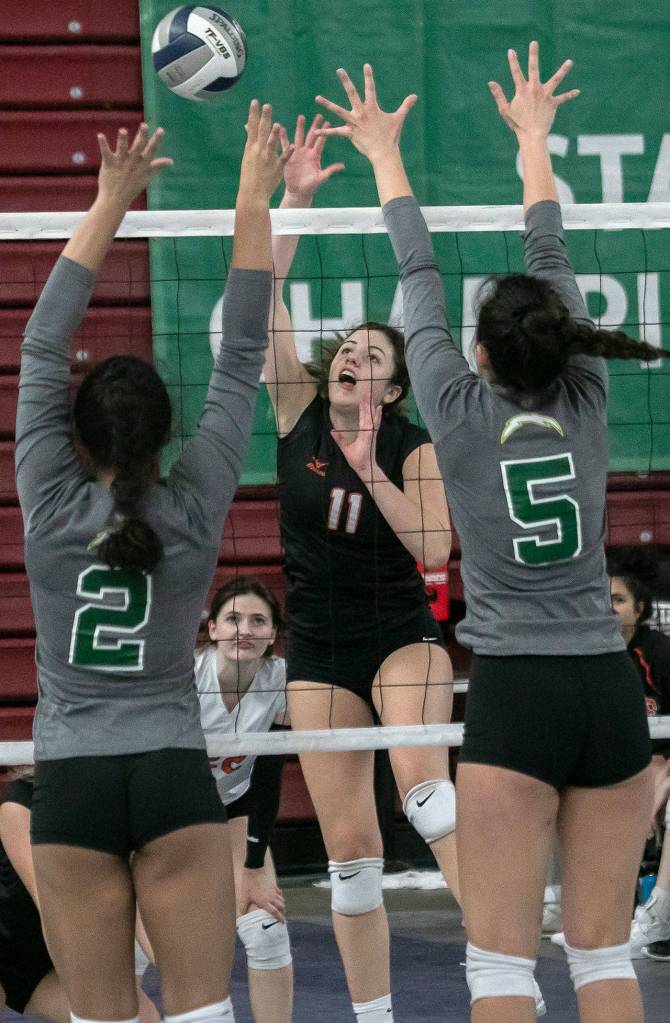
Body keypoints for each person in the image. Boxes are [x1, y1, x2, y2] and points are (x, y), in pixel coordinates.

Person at [315, 44, 670, 1023]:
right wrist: (534, 139)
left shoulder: (452, 406)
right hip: (606, 685)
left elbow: (415, 267)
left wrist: (383, 153)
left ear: (476, 350)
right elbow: (547, 245)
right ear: (560, 338)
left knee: (502, 966)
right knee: (602, 954)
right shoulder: (589, 390)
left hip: (516, 690)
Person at [16, 106, 291, 1023]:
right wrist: (256, 195)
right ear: (166, 433)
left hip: (75, 780)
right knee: (201, 1013)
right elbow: (241, 352)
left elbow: (40, 346)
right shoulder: (194, 501)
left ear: (74, 432)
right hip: (174, 772)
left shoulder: (50, 502)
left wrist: (110, 200)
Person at [264, 113, 458, 1022]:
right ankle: (374, 1016)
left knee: (426, 793)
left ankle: (503, 956)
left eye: (372, 355)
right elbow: (261, 296)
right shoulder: (295, 412)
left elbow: (432, 550)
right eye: (347, 348)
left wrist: (374, 463)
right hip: (320, 647)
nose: (352, 356)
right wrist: (292, 198)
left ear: (393, 385)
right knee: (350, 852)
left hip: (400, 636)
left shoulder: (416, 445)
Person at [195, 576, 292, 1021]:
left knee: (266, 927)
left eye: (258, 620)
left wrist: (253, 867)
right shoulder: (184, 677)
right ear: (212, 628)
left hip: (235, 808)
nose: (245, 630)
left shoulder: (281, 681)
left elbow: (270, 775)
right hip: (172, 812)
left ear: (273, 634)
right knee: (145, 944)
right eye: (233, 618)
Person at [0, 769, 159, 1023]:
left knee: (144, 1019)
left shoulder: (119, 805)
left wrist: (182, 977)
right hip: (17, 933)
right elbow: (52, 907)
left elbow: (143, 907)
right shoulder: (19, 802)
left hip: (38, 963)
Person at [607, 547, 670, 959]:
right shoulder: (593, 657)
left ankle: (657, 916)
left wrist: (660, 778)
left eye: (617, 600)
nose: (608, 609)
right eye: (602, 601)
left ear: (640, 607)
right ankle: (606, 921)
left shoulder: (660, 655)